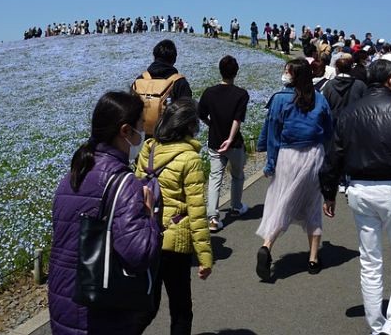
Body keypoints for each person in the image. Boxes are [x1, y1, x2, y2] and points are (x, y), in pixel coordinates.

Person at [320, 60, 391, 335]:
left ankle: (377, 325)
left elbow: (333, 155)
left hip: (359, 191)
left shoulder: (348, 113)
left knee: (370, 261)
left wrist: (329, 193)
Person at [48, 91, 161, 335]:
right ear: (125, 131)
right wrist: (150, 216)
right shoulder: (125, 183)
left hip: (63, 301)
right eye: (141, 126)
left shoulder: (73, 175)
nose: (143, 133)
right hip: (102, 311)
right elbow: (140, 254)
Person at [135, 99, 212, 335]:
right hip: (175, 242)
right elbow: (197, 211)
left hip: (147, 236)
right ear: (189, 126)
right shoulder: (191, 159)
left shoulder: (148, 149)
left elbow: (138, 191)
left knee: (147, 306)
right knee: (181, 309)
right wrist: (205, 256)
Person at [255, 58, 333, 280]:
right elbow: (329, 132)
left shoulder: (280, 99)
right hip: (314, 156)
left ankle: (267, 245)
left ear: (293, 75)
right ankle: (313, 258)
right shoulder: (320, 99)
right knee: (312, 206)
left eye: (287, 71)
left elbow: (273, 135)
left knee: (282, 201)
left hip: (287, 156)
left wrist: (270, 163)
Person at [198, 55, 250, 233]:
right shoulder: (241, 94)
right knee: (237, 175)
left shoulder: (209, 92)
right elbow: (237, 119)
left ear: (220, 71)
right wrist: (230, 139)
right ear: (236, 72)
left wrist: (210, 124)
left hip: (215, 142)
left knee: (215, 178)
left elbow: (201, 114)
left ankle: (212, 218)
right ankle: (236, 207)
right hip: (234, 144)